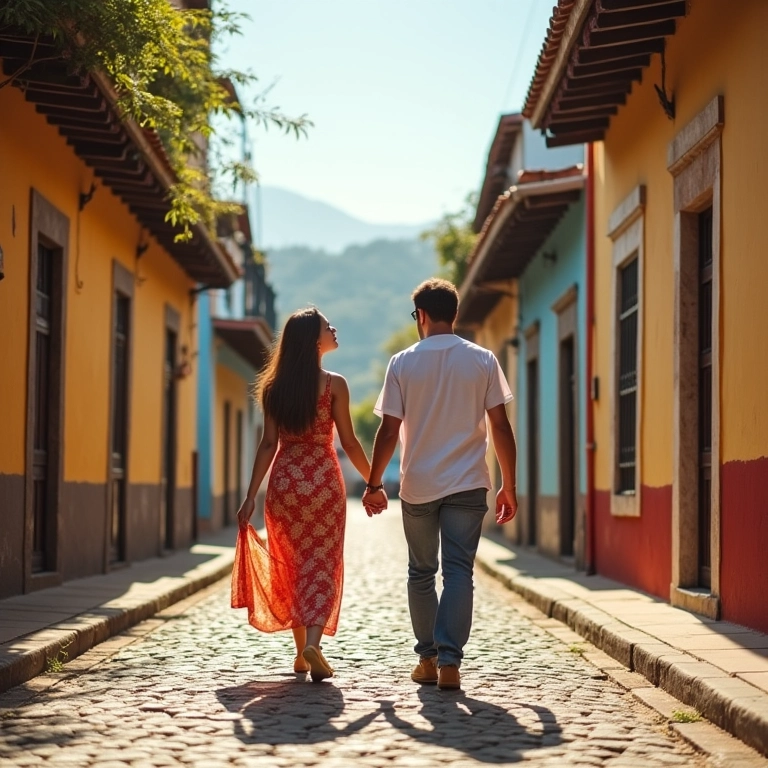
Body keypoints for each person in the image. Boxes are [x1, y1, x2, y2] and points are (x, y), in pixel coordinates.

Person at [362, 278, 518, 691]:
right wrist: (509, 485)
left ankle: (428, 660)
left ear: (422, 316)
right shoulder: (483, 360)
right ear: (456, 314)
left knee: (421, 571)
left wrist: (374, 484)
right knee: (459, 570)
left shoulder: (402, 363)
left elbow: (388, 430)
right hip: (469, 483)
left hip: (419, 485)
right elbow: (501, 427)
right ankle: (451, 662)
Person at [232, 307, 373, 682]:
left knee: (291, 564)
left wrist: (251, 496)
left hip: (285, 484)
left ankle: (300, 654)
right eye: (328, 326)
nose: (333, 329)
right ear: (314, 340)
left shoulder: (274, 388)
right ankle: (313, 644)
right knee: (322, 564)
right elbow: (350, 443)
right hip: (324, 483)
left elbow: (268, 444)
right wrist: (373, 481)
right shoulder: (334, 385)